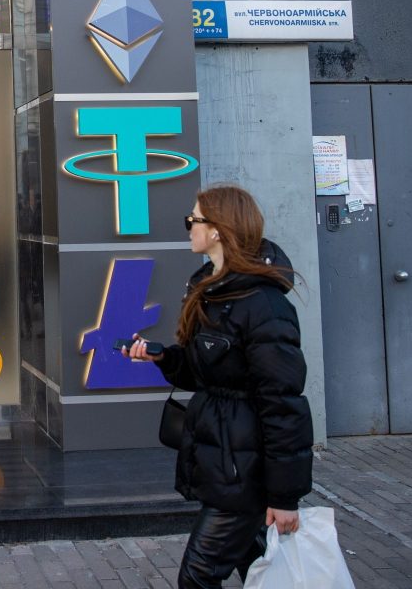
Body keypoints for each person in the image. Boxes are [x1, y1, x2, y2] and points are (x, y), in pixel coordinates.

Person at [124, 184, 313, 589]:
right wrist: (164, 358)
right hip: (224, 460)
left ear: (218, 230)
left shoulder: (264, 306)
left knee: (197, 577)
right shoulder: (209, 290)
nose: (188, 227)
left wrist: (284, 498)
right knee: (261, 569)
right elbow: (203, 373)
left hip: (242, 472)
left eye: (194, 220)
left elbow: (284, 404)